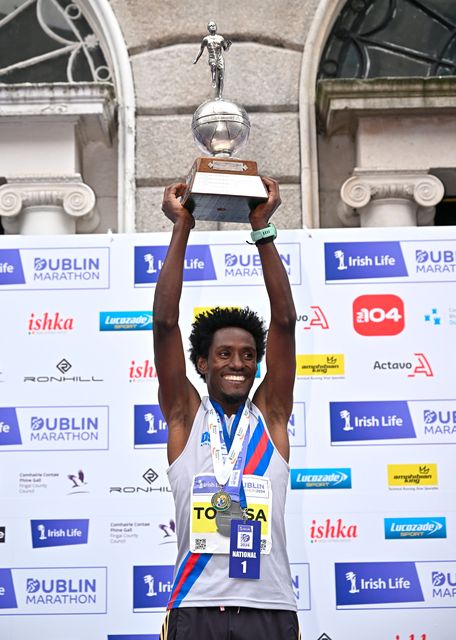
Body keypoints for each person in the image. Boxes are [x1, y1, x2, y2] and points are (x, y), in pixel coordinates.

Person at [153, 178, 299, 640]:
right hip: (196, 607)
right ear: (202, 362)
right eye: (224, 354)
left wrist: (262, 228)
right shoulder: (185, 417)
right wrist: (182, 227)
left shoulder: (270, 417)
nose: (238, 362)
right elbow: (164, 322)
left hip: (269, 606)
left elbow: (285, 322)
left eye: (248, 355)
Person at [193, 21, 232, 99]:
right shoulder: (206, 39)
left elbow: (225, 49)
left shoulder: (220, 38)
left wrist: (228, 45)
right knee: (213, 65)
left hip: (219, 58)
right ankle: (213, 78)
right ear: (208, 29)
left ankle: (220, 95)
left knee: (221, 77)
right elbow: (201, 50)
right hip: (212, 57)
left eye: (214, 25)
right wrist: (196, 59)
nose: (213, 27)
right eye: (210, 26)